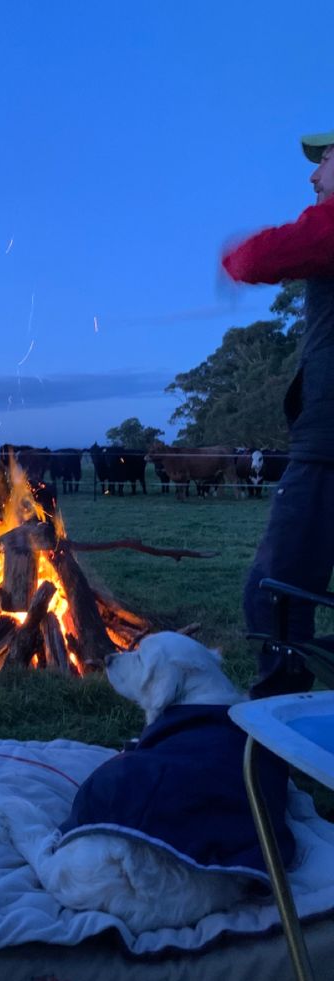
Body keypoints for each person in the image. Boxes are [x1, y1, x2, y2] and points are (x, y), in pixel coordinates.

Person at [222, 128, 334, 697]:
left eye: (326, 160)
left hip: (330, 446)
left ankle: (276, 736)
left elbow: (263, 256)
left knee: (276, 589)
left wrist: (233, 255)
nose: (314, 176)